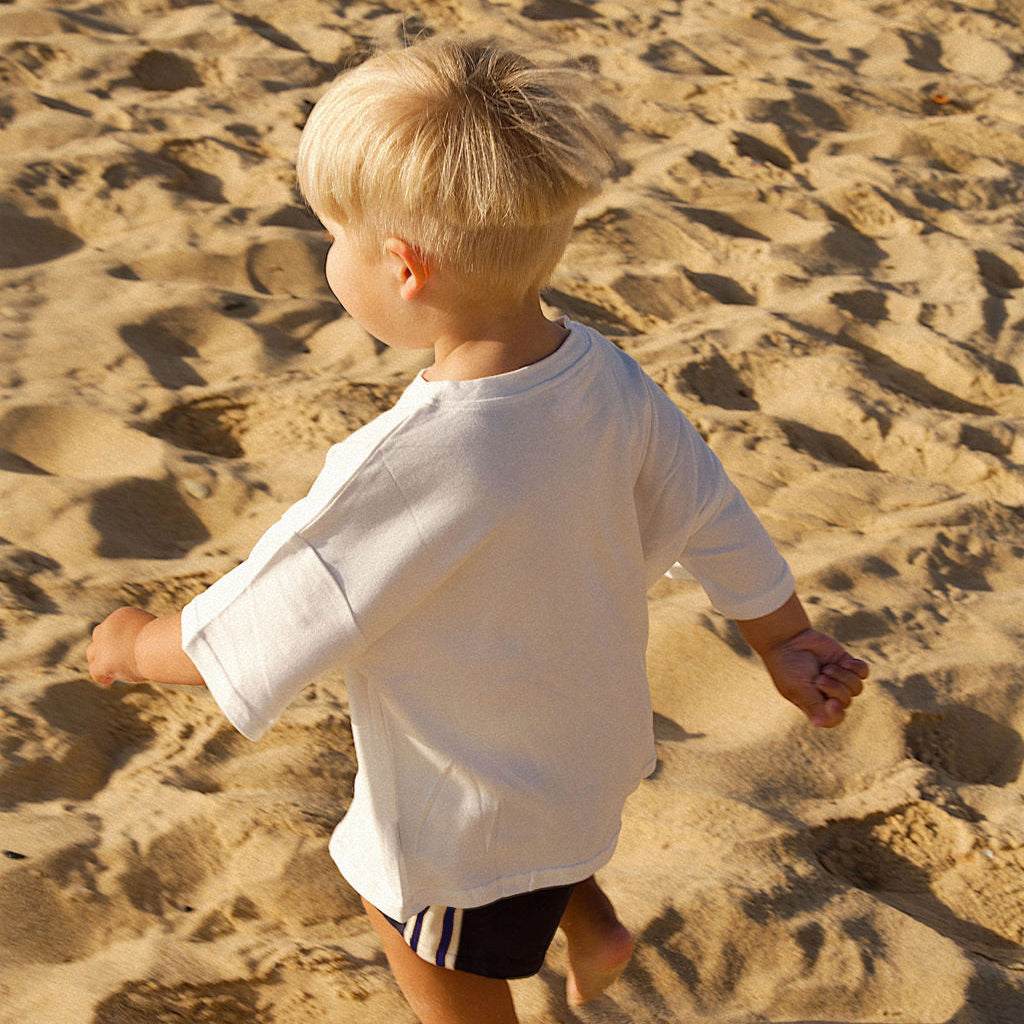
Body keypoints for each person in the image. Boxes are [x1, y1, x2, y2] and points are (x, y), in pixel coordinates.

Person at [87, 38, 868, 1024]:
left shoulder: (411, 461)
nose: (327, 255)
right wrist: (783, 639)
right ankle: (592, 927)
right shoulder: (602, 373)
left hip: (471, 811)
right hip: (586, 754)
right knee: (536, 853)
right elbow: (712, 508)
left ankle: (564, 943)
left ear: (403, 268)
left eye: (333, 234)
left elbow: (268, 610)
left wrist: (135, 642)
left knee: (401, 906)